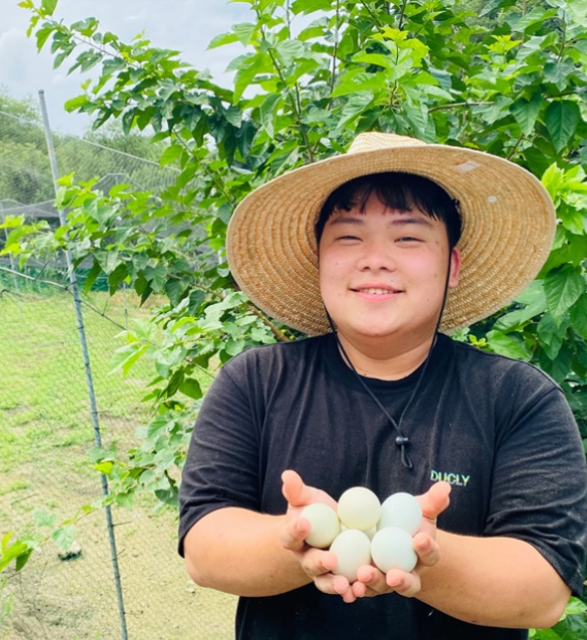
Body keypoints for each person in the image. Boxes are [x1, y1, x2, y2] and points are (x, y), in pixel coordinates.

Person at [177, 132, 587, 640]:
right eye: (349, 237)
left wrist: (426, 557)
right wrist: (302, 539)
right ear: (319, 260)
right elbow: (205, 547)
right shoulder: (255, 382)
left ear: (453, 266)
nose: (375, 258)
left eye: (408, 238)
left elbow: (544, 591)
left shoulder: (519, 399)